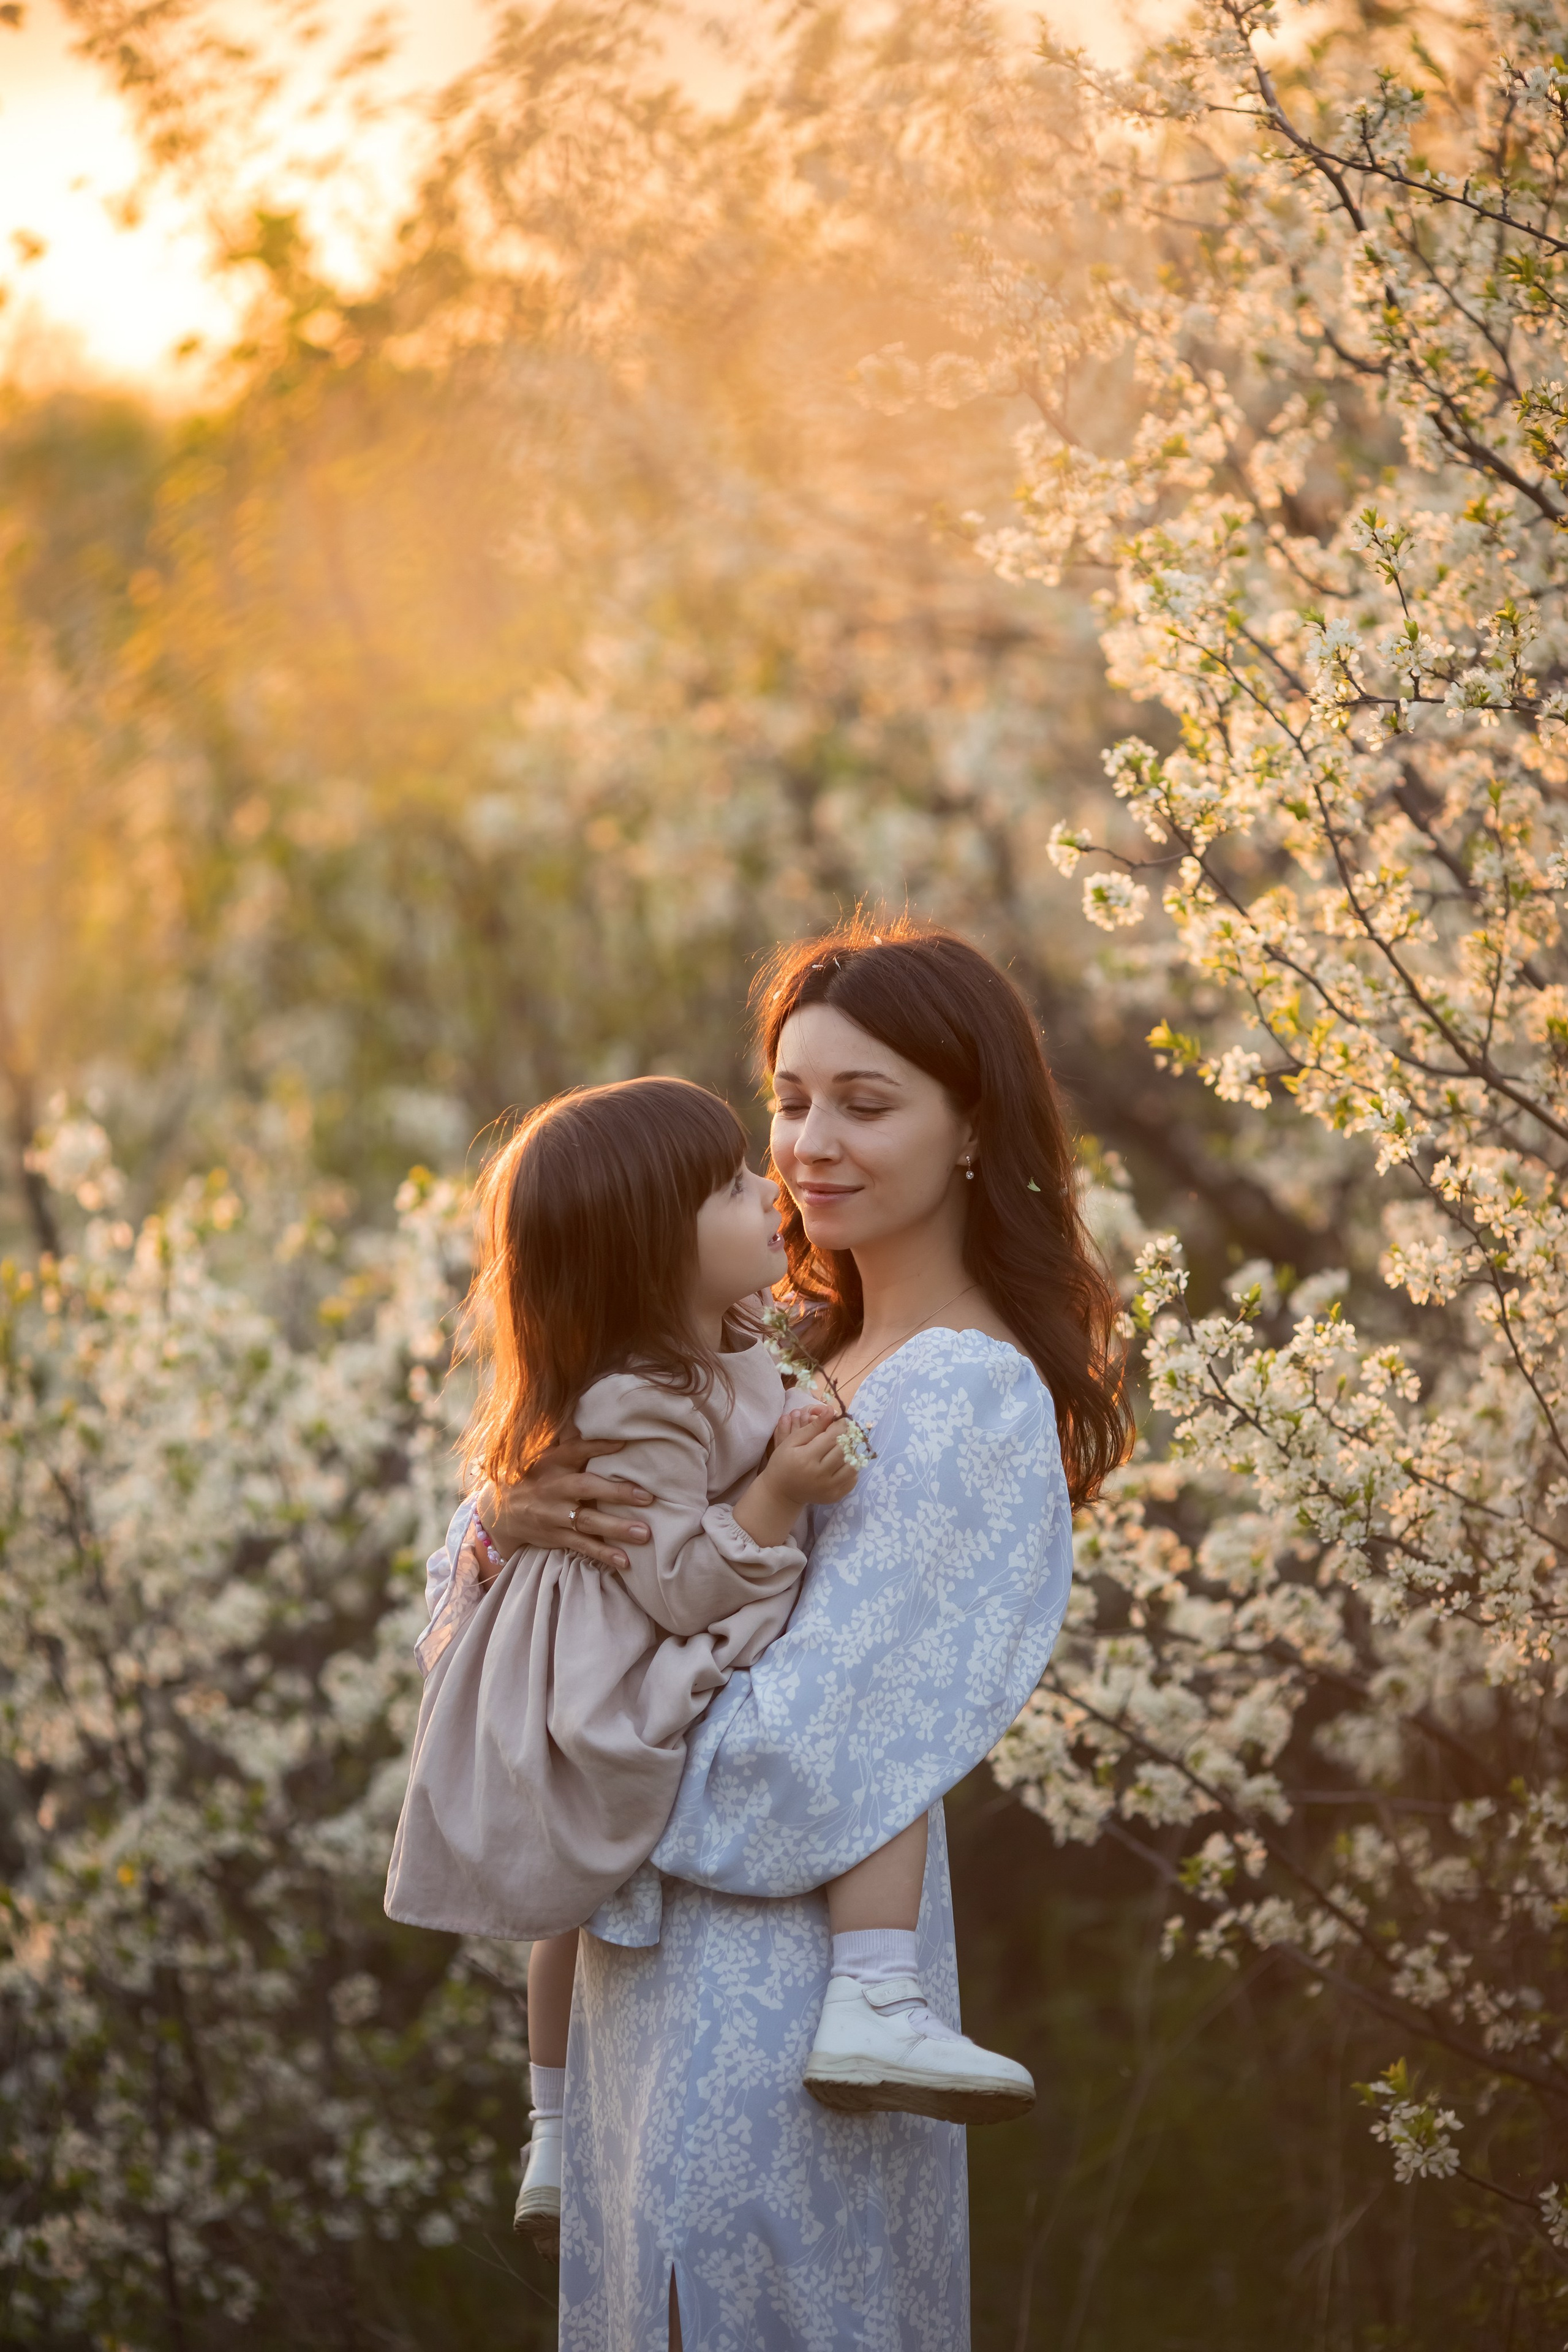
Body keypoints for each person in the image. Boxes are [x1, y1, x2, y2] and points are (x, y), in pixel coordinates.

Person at [488, 919, 1133, 2350]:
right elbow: (493, 1629)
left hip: (781, 2016)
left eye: (865, 1102)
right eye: (788, 1101)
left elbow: (815, 1749)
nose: (809, 1145)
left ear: (972, 1128)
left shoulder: (960, 1396)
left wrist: (583, 1753)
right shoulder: (765, 1353)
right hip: (634, 2003)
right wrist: (510, 1532)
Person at [384, 1074, 1036, 2252]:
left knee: (580, 1902)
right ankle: (846, 2002)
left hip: (664, 1728)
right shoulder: (653, 1389)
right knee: (868, 1758)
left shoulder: (762, 1341)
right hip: (647, 1701)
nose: (783, 1169)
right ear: (651, 1252)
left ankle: (556, 2120)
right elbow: (675, 1582)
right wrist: (772, 1493)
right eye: (772, 1128)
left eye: (863, 1105)